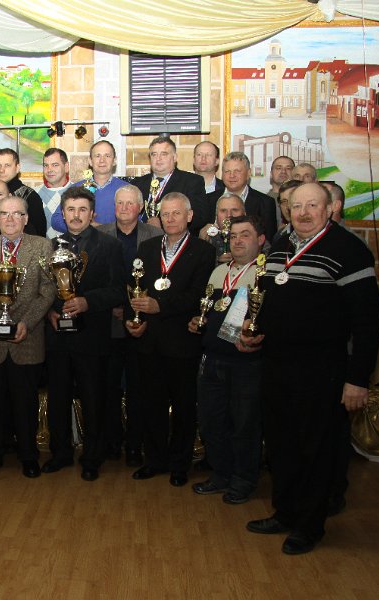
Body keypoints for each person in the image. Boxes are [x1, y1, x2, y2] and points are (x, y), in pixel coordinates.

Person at [241, 182, 379, 555]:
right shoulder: (280, 246)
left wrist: (357, 379)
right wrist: (253, 328)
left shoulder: (349, 250)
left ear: (330, 208)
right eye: (296, 206)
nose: (302, 213)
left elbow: (368, 322)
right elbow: (267, 298)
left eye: (312, 205)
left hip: (323, 370)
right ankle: (285, 512)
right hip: (276, 364)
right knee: (282, 444)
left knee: (315, 450)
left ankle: (309, 525)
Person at [126, 192, 216, 487]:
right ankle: (154, 459)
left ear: (189, 216)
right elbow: (135, 288)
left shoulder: (203, 251)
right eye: (165, 214)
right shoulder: (147, 247)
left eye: (177, 213)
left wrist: (160, 306)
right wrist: (134, 319)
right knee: (151, 404)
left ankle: (179, 464)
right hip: (149, 340)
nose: (170, 218)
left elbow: (198, 295)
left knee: (183, 406)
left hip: (182, 342)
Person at [43, 187, 125, 481]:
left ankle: (92, 456)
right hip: (58, 336)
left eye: (82, 210)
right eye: (70, 209)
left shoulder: (109, 245)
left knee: (93, 399)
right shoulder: (50, 247)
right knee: (58, 398)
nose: (76, 215)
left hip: (92, 336)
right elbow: (44, 289)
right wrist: (50, 311)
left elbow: (119, 290)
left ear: (92, 214)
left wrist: (87, 301)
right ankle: (60, 453)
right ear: (62, 214)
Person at [0, 195, 56, 478]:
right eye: (4, 214)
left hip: (27, 338)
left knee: (25, 402)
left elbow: (48, 290)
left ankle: (28, 455)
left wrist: (27, 323)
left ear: (26, 218)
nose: (9, 219)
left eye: (16, 214)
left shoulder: (42, 246)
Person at [189, 216, 266, 505]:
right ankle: (220, 474)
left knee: (244, 425)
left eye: (245, 234)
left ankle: (243, 480)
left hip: (245, 363)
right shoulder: (218, 272)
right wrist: (198, 321)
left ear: (260, 240)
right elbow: (210, 311)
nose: (237, 240)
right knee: (212, 422)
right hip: (212, 358)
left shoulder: (265, 273)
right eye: (233, 236)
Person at [97, 184, 162, 467]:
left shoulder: (155, 236)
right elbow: (95, 279)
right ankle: (112, 443)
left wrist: (138, 312)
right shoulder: (100, 235)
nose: (124, 208)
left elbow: (159, 281)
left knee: (139, 388)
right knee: (108, 386)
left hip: (141, 323)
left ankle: (135, 445)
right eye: (119, 203)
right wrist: (110, 305)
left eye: (130, 203)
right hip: (108, 321)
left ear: (140, 207)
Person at [132, 136, 207, 236]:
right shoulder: (137, 184)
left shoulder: (192, 181)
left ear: (175, 157)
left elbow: (199, 218)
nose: (158, 159)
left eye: (164, 154)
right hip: (140, 239)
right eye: (154, 154)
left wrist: (163, 223)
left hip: (174, 239)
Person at [50, 140, 127, 232]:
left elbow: (135, 224)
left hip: (114, 241)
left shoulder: (127, 190)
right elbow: (56, 220)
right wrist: (83, 227)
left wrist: (103, 229)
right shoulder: (77, 189)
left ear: (114, 161)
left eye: (107, 156)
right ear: (90, 161)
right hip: (82, 240)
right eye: (97, 156)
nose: (102, 160)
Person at [221, 151, 278, 241]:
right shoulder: (210, 200)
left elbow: (268, 240)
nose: (232, 175)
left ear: (248, 173)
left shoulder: (265, 203)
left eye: (237, 171)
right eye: (227, 171)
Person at [0, 148, 47, 237]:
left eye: (7, 165)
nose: (1, 170)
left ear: (17, 168)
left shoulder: (30, 196)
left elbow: (39, 235)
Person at [198, 194, 246, 263]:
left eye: (235, 210)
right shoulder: (206, 238)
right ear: (216, 216)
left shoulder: (255, 238)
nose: (229, 215)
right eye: (223, 211)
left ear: (244, 214)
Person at [35, 148, 71, 239]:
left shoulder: (77, 192)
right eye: (46, 165)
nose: (49, 170)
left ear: (66, 167)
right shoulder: (34, 194)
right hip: (43, 247)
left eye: (55, 165)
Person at [193, 141, 224, 227]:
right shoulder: (182, 187)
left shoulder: (226, 189)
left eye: (209, 155)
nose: (203, 158)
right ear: (194, 160)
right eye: (199, 154)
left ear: (217, 161)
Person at [267, 156, 296, 227]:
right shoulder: (262, 201)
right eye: (278, 168)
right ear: (271, 173)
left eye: (288, 168)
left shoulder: (302, 199)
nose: (283, 171)